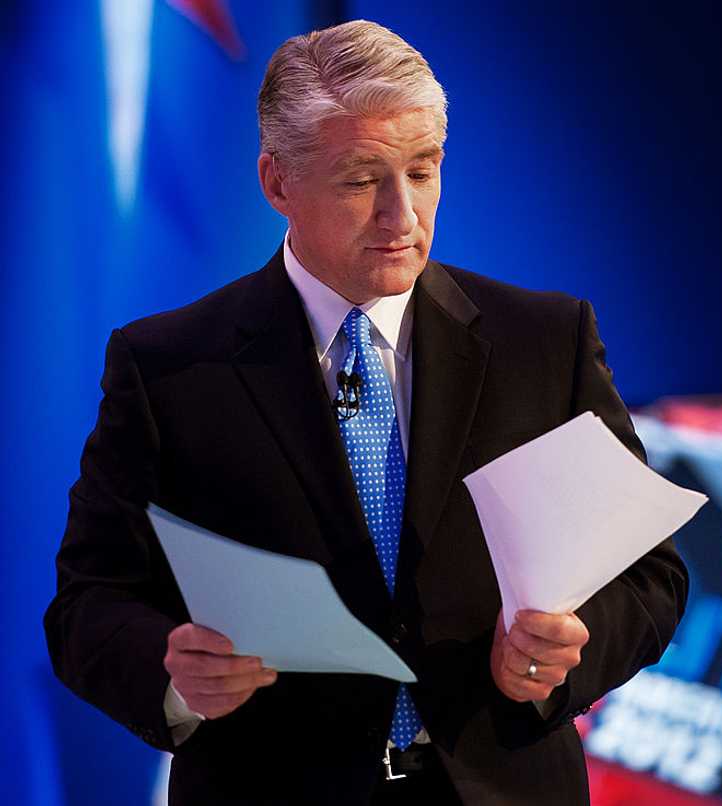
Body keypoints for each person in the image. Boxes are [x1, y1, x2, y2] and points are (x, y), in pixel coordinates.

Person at [44, 19, 688, 806]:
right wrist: (174, 673)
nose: (402, 214)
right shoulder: (171, 367)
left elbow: (650, 572)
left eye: (423, 171)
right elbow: (87, 603)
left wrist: (569, 657)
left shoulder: (544, 342)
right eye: (360, 180)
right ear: (277, 183)